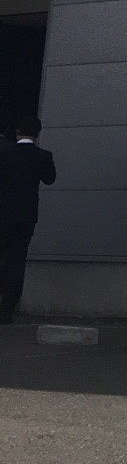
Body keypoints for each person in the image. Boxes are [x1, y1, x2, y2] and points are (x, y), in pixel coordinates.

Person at [0, 117, 56, 323]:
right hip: (25, 218)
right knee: (16, 262)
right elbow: (50, 179)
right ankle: (6, 311)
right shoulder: (42, 156)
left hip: (2, 214)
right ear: (38, 133)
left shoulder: (4, 153)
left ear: (17, 131)